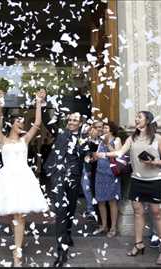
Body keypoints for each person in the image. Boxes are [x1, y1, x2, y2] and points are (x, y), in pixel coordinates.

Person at [0, 90, 48, 267]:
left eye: (23, 121)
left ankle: (17, 252)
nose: (22, 123)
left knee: (19, 215)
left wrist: (38, 102)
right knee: (14, 216)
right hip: (7, 179)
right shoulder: (2, 139)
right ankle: (19, 241)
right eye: (19, 121)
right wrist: (0, 103)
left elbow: (38, 122)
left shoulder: (24, 140)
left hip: (23, 178)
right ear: (12, 124)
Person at [104, 111, 161, 265]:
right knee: (138, 212)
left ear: (147, 120)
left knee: (157, 213)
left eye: (139, 117)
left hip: (154, 180)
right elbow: (120, 152)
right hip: (137, 180)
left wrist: (154, 163)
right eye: (136, 117)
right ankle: (138, 244)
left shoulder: (157, 138)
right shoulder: (131, 138)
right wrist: (101, 154)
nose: (136, 119)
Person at [42, 92, 91, 267]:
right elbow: (49, 122)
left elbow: (87, 155)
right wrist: (43, 102)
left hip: (74, 178)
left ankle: (68, 233)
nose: (71, 122)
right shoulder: (61, 133)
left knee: (70, 209)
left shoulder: (84, 138)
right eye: (69, 120)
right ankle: (61, 252)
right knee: (61, 212)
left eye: (74, 121)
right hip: (57, 177)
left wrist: (87, 150)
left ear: (80, 123)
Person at [92, 121, 122, 238]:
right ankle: (103, 225)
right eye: (103, 128)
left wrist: (107, 144)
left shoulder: (117, 140)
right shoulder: (99, 141)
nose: (104, 130)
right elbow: (98, 155)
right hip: (100, 173)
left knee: (112, 201)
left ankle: (113, 227)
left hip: (111, 174)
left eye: (106, 128)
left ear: (111, 130)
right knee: (100, 200)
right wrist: (93, 157)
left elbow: (118, 154)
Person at [81, 120, 103, 219]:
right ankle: (91, 209)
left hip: (101, 168)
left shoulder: (103, 139)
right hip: (88, 167)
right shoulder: (88, 139)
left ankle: (95, 210)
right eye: (97, 127)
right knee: (87, 188)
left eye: (101, 126)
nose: (99, 129)